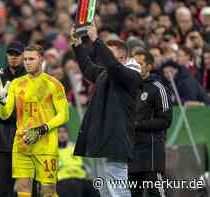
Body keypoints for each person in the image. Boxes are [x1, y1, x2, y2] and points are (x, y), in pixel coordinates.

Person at [70, 23, 142, 197]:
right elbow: (88, 69)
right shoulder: (106, 73)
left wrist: (96, 40)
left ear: (123, 58)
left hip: (118, 136)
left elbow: (114, 67)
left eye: (109, 53)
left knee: (118, 186)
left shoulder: (131, 75)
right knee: (110, 185)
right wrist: (77, 44)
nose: (104, 57)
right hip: (108, 136)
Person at [0, 44, 69, 197]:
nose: (28, 62)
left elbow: (64, 115)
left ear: (41, 60)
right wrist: (2, 99)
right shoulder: (16, 83)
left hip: (46, 146)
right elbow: (5, 114)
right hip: (22, 144)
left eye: (32, 59)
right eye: (26, 59)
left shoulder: (54, 84)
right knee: (23, 188)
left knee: (48, 191)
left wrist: (42, 128)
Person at [128, 50, 173, 197]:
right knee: (133, 192)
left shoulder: (158, 88)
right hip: (132, 149)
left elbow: (166, 120)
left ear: (149, 66)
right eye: (133, 64)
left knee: (156, 192)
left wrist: (138, 124)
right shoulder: (129, 87)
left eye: (139, 64)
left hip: (152, 149)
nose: (135, 67)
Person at [0, 41, 26, 197]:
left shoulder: (30, 78)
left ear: (23, 56)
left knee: (28, 188)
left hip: (25, 140)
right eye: (11, 54)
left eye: (17, 54)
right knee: (3, 189)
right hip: (3, 141)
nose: (14, 58)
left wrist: (3, 114)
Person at [56, 126, 100, 197]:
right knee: (72, 188)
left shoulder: (75, 148)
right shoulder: (53, 152)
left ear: (67, 134)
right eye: (59, 132)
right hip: (63, 180)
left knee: (94, 189)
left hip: (81, 179)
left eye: (64, 132)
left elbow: (86, 166)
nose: (62, 134)